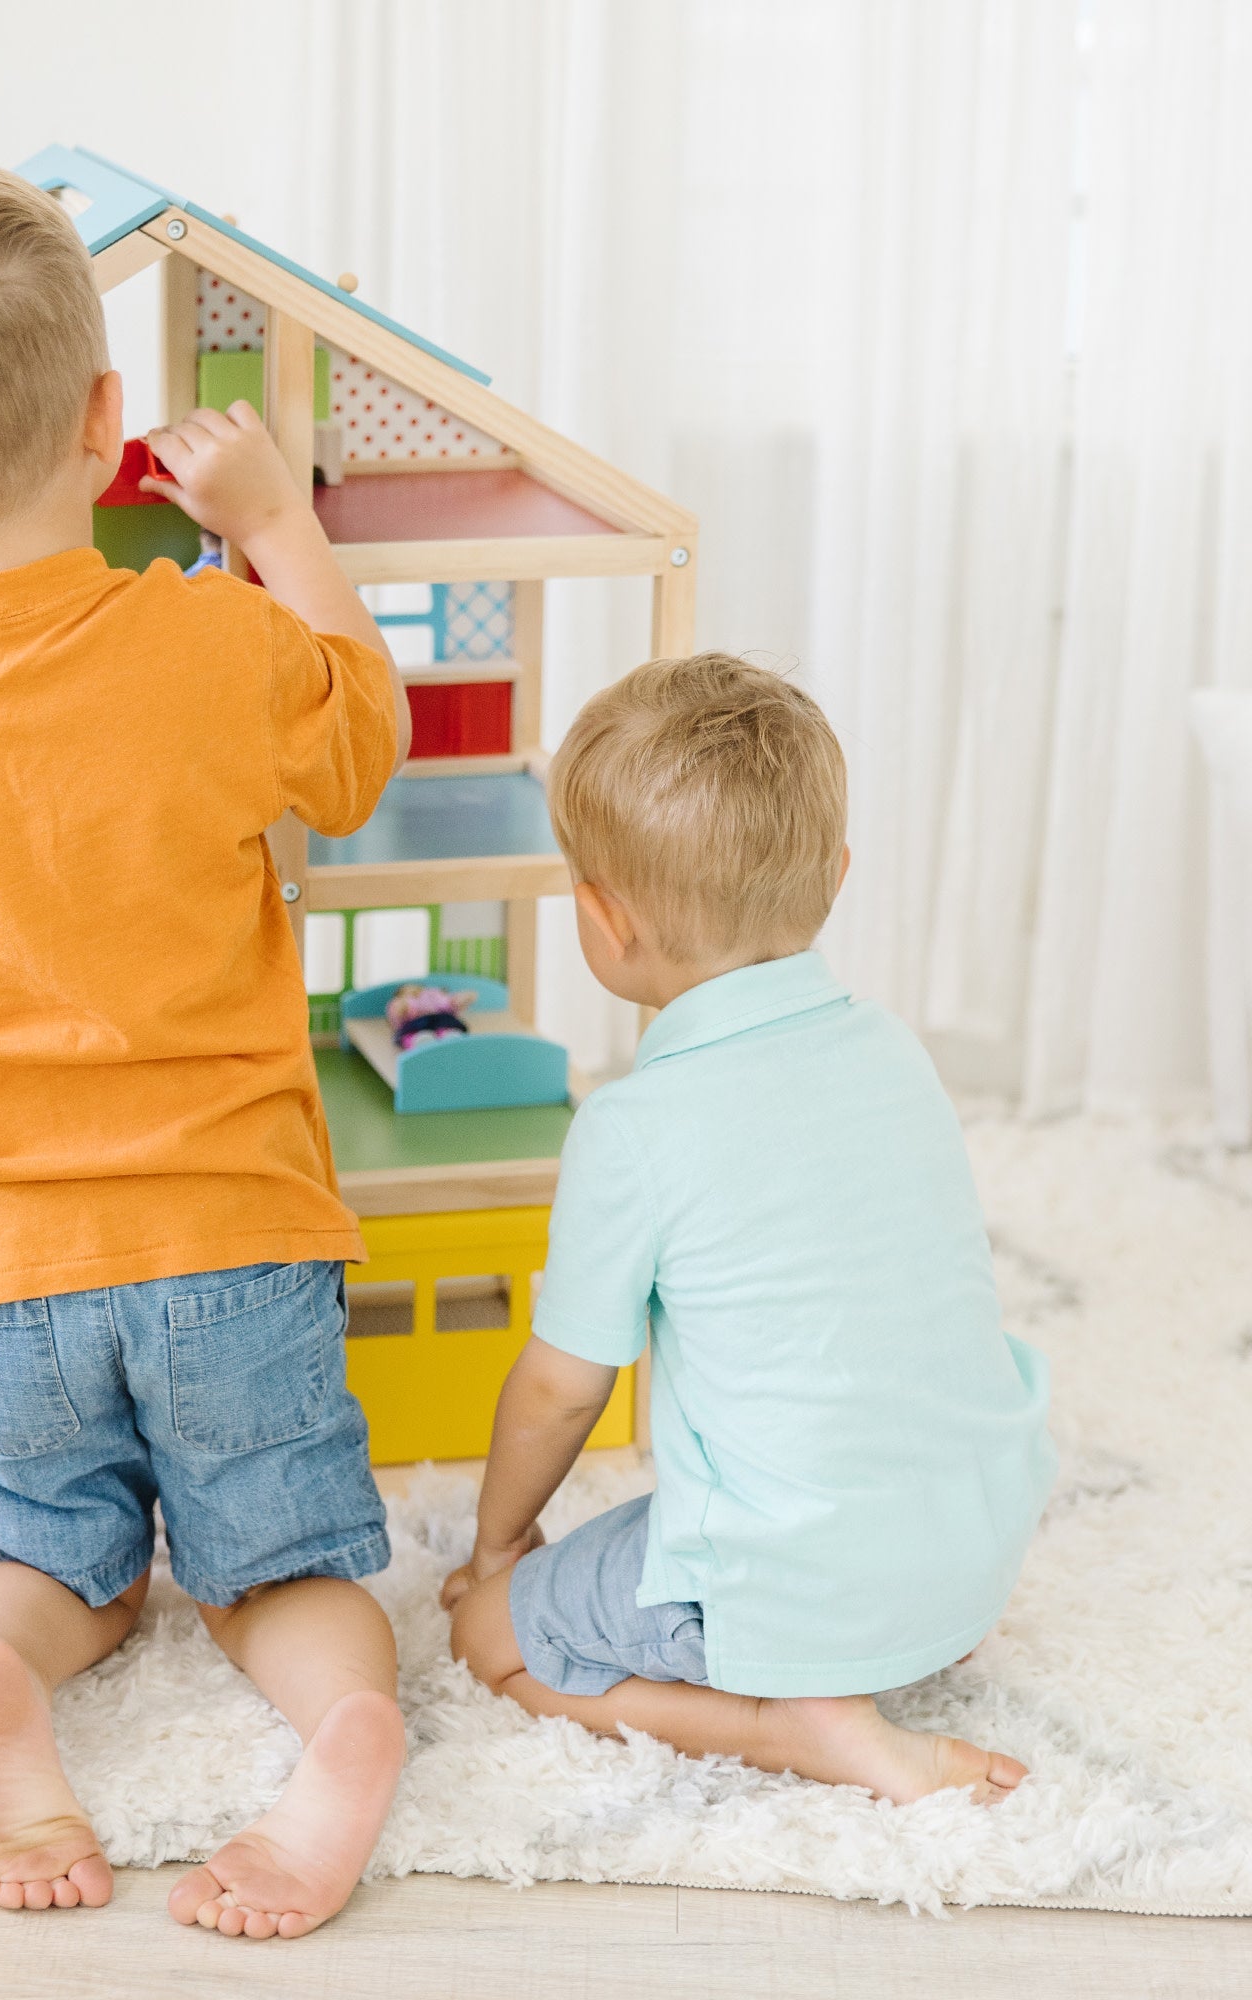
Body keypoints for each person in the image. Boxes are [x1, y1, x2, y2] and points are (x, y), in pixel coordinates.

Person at [0, 160, 413, 1938]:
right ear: (105, 420)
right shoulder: (211, 637)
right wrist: (278, 526)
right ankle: (343, 1723)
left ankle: (3, 1670)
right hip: (227, 1236)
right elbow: (362, 746)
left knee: (59, 1567)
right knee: (272, 1575)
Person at [443, 654, 1057, 1805]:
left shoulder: (631, 1126)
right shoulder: (893, 1050)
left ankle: (790, 1724)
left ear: (601, 918)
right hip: (971, 1556)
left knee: (490, 1638)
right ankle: (868, 1650)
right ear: (835, 872)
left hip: (805, 1592)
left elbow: (559, 1389)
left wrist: (494, 1549)